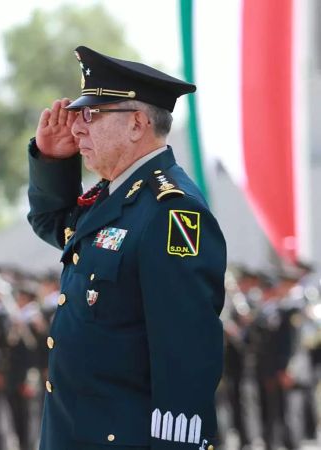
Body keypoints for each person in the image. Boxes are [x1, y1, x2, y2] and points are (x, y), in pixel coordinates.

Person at [26, 46, 226, 449]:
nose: (77, 128)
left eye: (91, 115)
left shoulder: (170, 211)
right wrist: (52, 161)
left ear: (137, 123)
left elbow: (185, 355)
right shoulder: (112, 199)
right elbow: (54, 225)